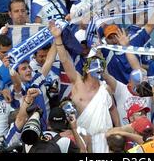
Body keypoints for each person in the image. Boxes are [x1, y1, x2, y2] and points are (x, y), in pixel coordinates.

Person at [49, 21, 119, 153]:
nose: (98, 68)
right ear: (87, 69)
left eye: (101, 66)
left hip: (106, 140)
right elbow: (65, 60)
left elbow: (113, 109)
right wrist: (58, 38)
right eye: (95, 65)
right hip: (83, 141)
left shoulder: (105, 89)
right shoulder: (77, 83)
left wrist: (119, 131)